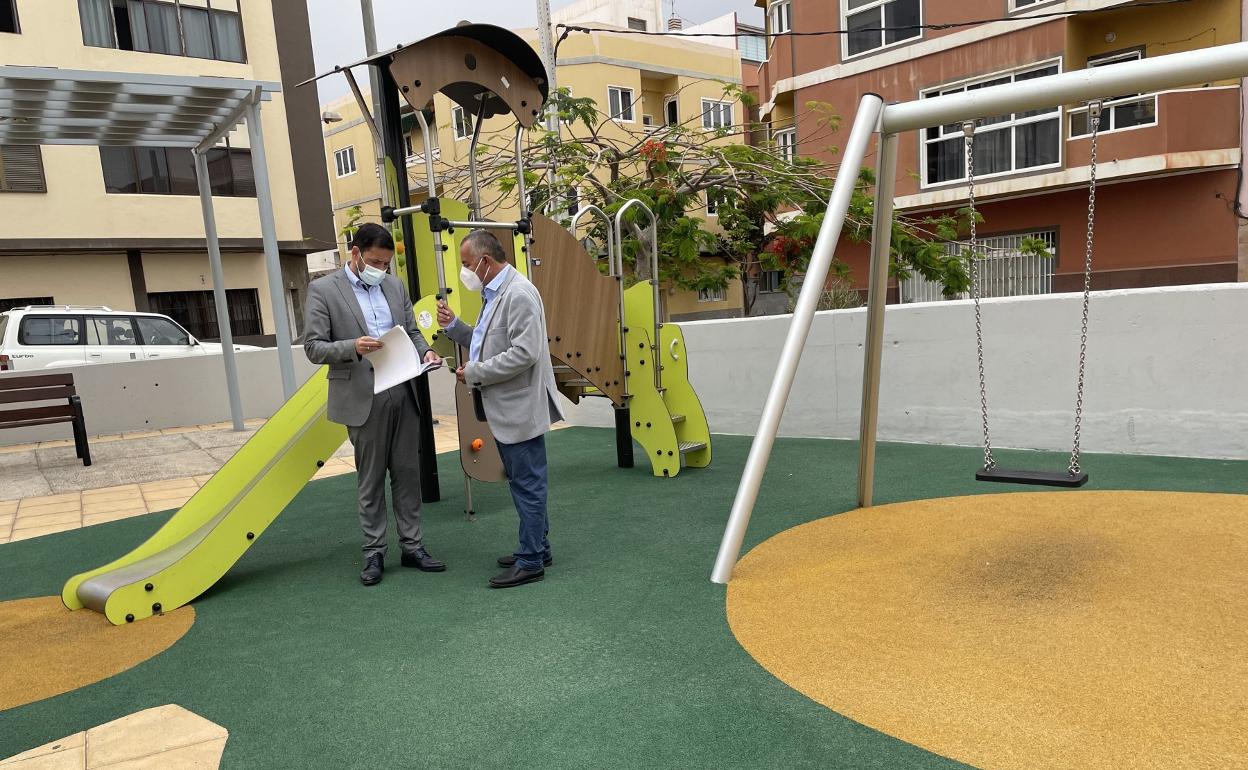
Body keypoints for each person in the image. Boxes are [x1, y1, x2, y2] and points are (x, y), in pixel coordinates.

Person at [304, 222, 445, 586]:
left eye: (386, 264)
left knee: (407, 475)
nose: (381, 269)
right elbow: (313, 347)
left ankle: (413, 547)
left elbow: (411, 331)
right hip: (362, 395)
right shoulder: (323, 289)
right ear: (355, 253)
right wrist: (352, 346)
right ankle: (374, 552)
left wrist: (426, 352)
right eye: (375, 262)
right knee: (370, 479)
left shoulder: (394, 286)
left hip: (403, 389)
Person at [437, 230, 563, 589]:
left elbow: (524, 353)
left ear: (485, 261)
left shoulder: (518, 293)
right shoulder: (496, 292)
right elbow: (487, 340)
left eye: (466, 264)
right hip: (509, 406)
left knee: (528, 485)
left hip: (519, 407)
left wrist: (475, 372)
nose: (465, 271)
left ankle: (531, 560)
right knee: (525, 483)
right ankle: (537, 548)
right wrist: (455, 327)